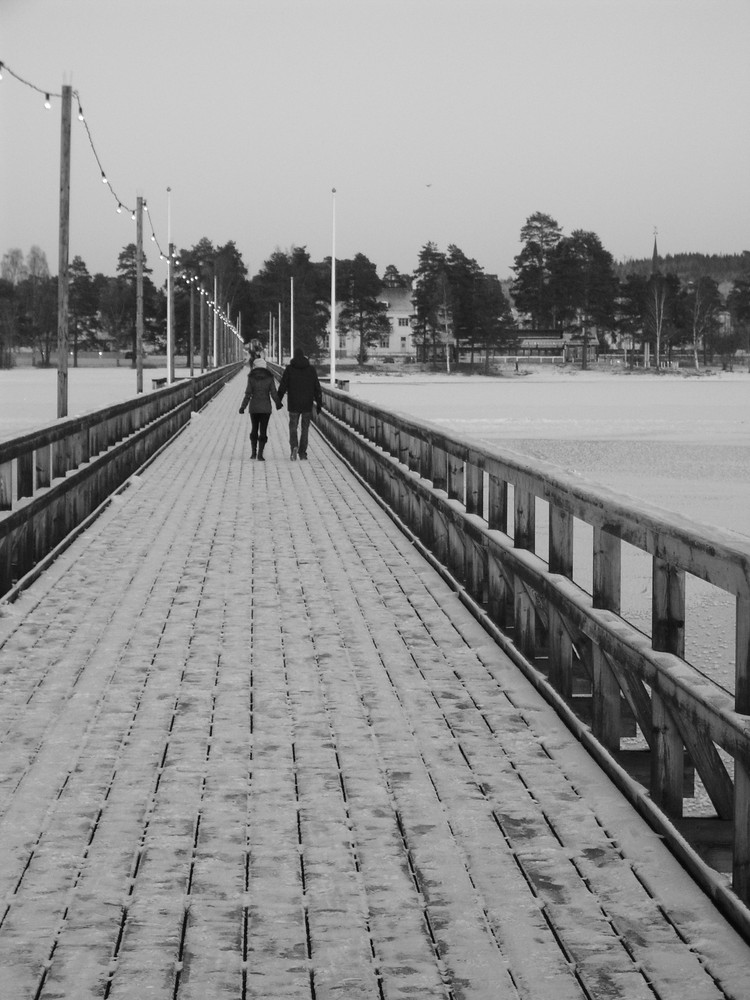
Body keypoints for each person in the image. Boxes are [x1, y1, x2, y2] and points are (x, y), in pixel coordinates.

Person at [276, 347, 323, 461]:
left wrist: (278, 401)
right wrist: (319, 403)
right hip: (307, 403)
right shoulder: (311, 369)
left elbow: (283, 386)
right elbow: (317, 387)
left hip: (294, 403)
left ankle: (294, 447)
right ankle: (303, 453)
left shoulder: (289, 369)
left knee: (293, 427)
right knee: (305, 428)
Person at [238, 357, 280, 461]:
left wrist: (243, 406)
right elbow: (273, 392)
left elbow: (248, 393)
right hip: (266, 408)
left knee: (254, 428)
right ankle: (260, 454)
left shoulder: (251, 378)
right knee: (263, 430)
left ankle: (253, 453)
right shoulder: (270, 377)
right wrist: (278, 403)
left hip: (254, 407)